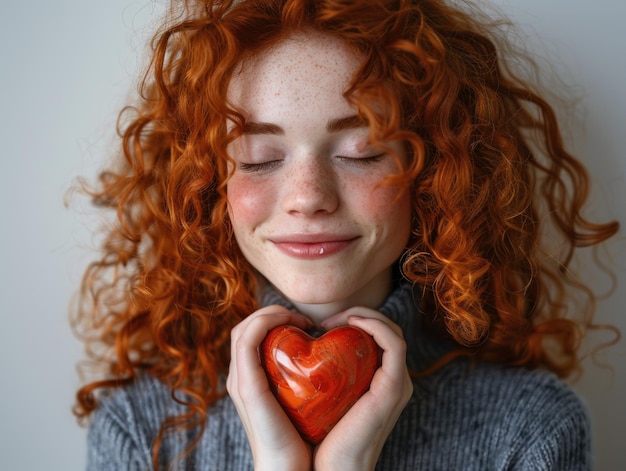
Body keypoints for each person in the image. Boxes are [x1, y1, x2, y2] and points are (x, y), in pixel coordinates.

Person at [71, 0, 620, 469]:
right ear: (210, 183)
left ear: (432, 173)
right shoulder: (140, 427)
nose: (308, 196)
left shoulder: (531, 430)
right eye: (260, 159)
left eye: (362, 153)